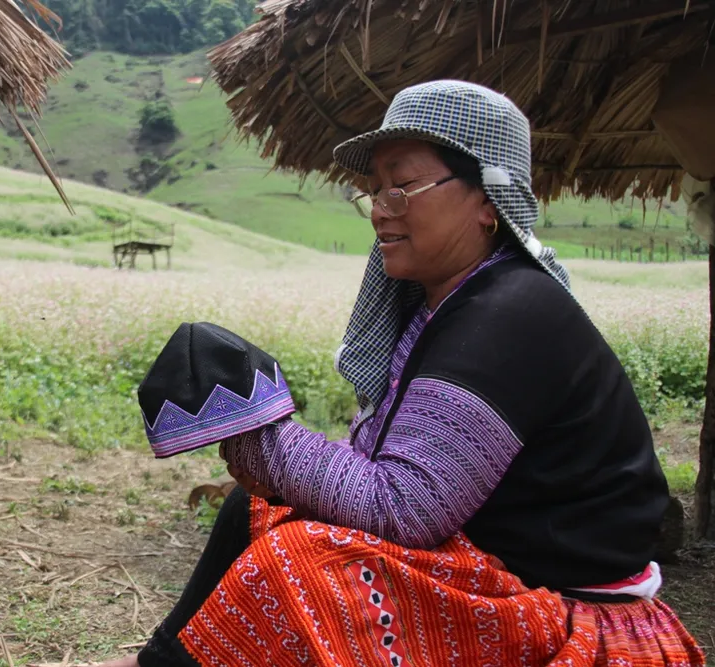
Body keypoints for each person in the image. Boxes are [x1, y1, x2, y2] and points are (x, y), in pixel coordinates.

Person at [96, 80, 705, 666]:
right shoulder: (452, 303)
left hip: (563, 608)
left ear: (487, 199)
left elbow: (407, 507)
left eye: (403, 186)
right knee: (253, 511)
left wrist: (265, 440)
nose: (379, 211)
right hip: (487, 565)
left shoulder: (512, 311)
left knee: (300, 562)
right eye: (374, 190)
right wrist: (274, 461)